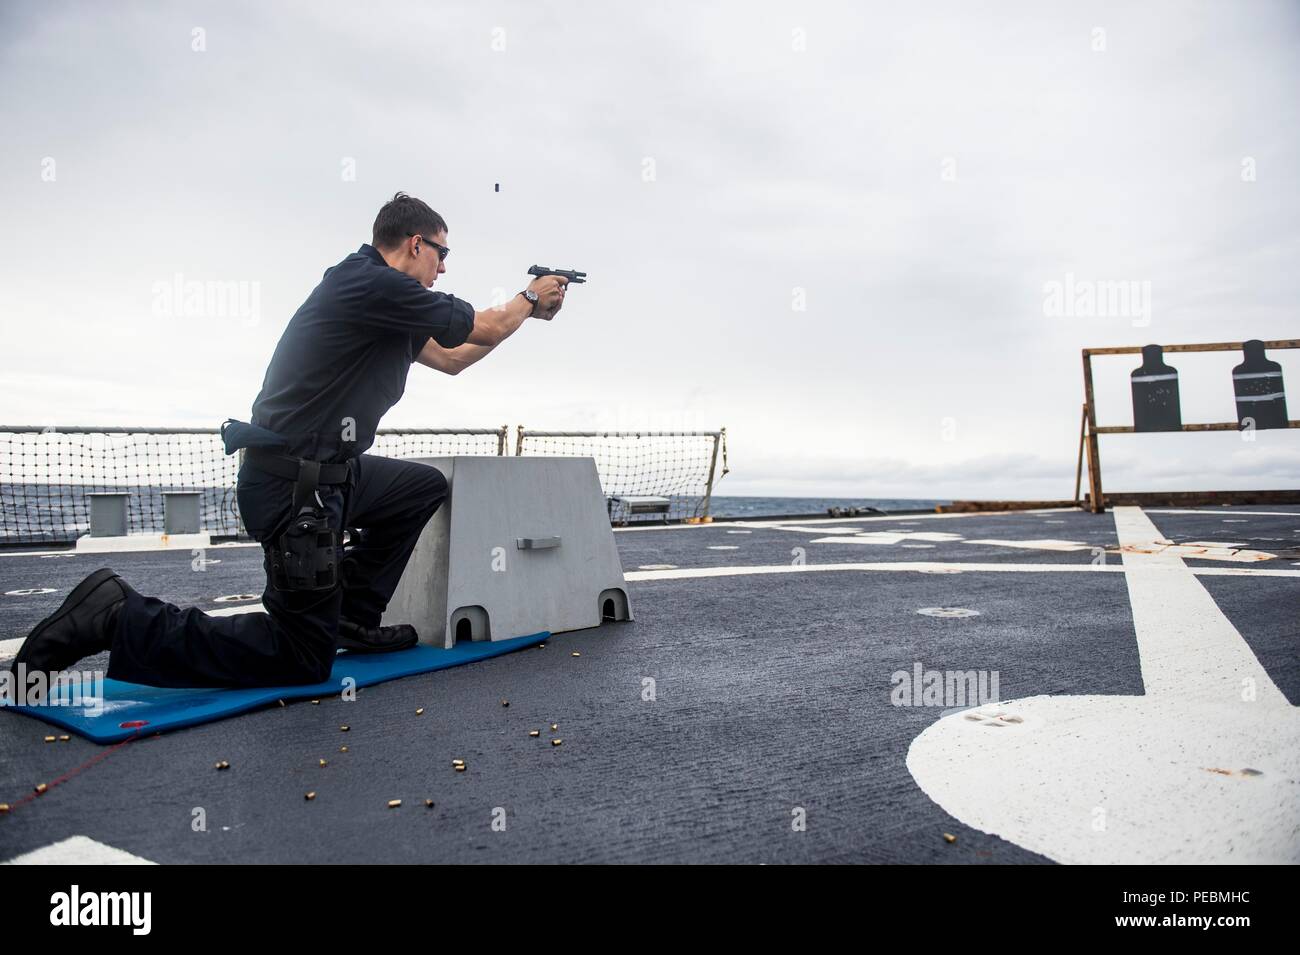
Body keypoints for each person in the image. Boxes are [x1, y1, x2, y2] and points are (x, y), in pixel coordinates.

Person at [9, 192, 568, 688]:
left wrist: (524, 317)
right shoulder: (369, 283)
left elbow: (453, 359)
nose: (444, 268)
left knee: (420, 487)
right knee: (302, 657)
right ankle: (116, 615)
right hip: (293, 489)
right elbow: (485, 324)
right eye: (443, 254)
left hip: (334, 473)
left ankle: (349, 615)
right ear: (415, 244)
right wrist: (529, 296)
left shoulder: (388, 305)